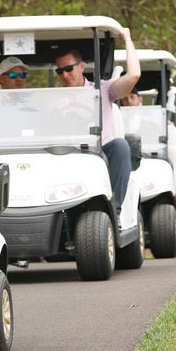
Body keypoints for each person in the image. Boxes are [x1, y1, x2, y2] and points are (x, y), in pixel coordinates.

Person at [54, 28, 140, 216]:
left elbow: (133, 75)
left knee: (121, 146)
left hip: (100, 151)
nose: (64, 75)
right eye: (60, 71)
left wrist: (127, 38)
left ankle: (112, 212)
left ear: (81, 67)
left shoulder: (103, 89)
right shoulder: (54, 98)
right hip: (67, 154)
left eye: (69, 69)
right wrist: (57, 113)